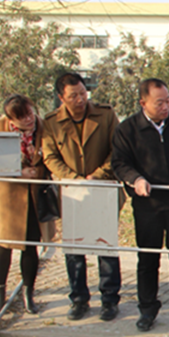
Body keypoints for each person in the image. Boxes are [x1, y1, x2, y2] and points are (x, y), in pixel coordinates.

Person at [111, 78, 169, 332]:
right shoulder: (128, 129)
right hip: (148, 205)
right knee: (148, 259)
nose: (166, 107)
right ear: (143, 103)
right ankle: (148, 309)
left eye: (168, 101)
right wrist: (135, 179)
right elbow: (119, 163)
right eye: (159, 103)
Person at [42, 72, 121, 322]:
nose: (79, 99)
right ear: (61, 97)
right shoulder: (51, 122)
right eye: (73, 96)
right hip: (72, 193)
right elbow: (50, 156)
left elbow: (117, 149)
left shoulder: (105, 115)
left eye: (82, 93)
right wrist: (74, 179)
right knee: (74, 248)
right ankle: (79, 299)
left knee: (105, 246)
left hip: (102, 189)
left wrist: (97, 175)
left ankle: (109, 299)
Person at [0, 94, 54, 315]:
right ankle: (0, 293)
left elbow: (52, 154)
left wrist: (38, 171)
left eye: (29, 113)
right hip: (8, 195)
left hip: (35, 193)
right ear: (11, 120)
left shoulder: (43, 126)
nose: (28, 119)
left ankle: (28, 293)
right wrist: (17, 172)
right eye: (22, 117)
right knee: (5, 243)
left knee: (30, 243)